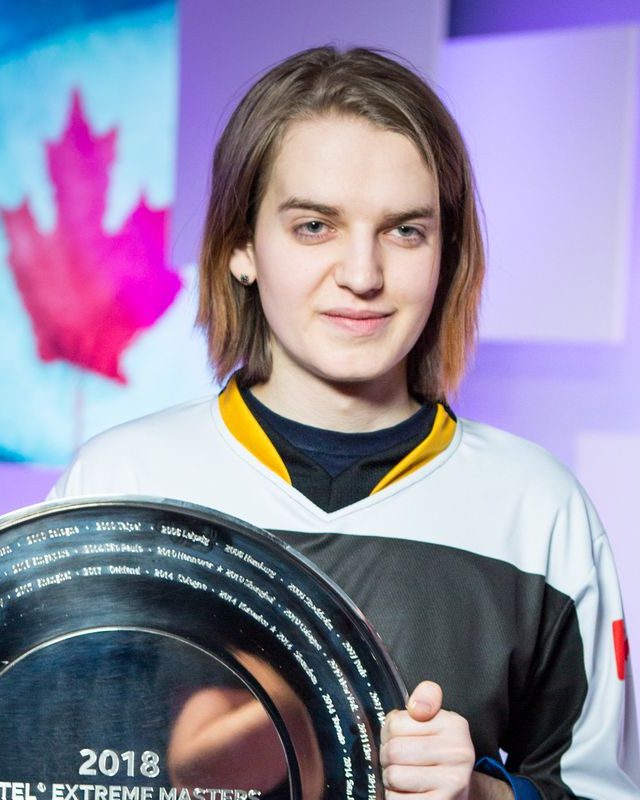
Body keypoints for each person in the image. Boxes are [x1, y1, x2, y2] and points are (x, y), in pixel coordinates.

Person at [48, 45, 639, 799]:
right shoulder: (120, 487)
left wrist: (480, 793)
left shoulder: (538, 510)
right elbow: (32, 752)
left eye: (405, 231)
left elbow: (599, 788)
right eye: (314, 226)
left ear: (447, 253)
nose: (362, 275)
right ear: (241, 247)